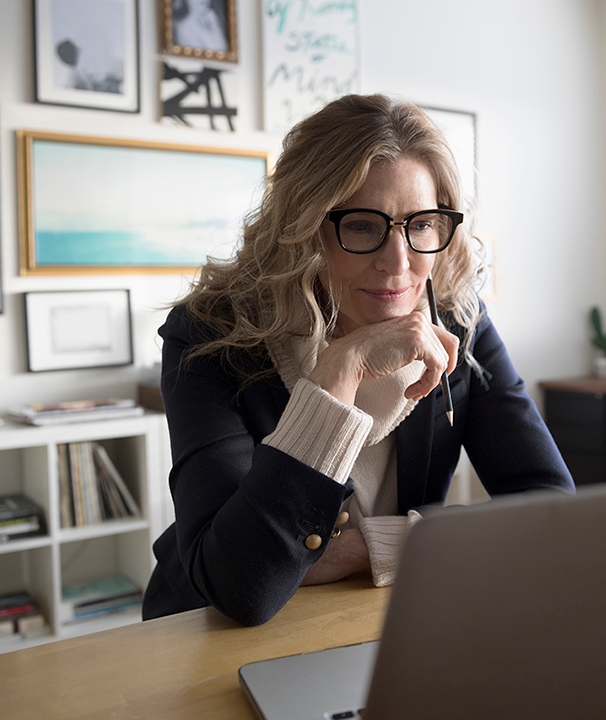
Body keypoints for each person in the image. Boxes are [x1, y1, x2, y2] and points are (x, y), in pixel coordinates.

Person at [142, 94, 575, 627]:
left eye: (422, 224)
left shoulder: (460, 320)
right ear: (304, 228)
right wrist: (338, 376)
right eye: (364, 226)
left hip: (378, 615)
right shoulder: (212, 335)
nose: (398, 264)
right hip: (204, 632)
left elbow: (552, 509)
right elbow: (240, 584)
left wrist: (368, 545)